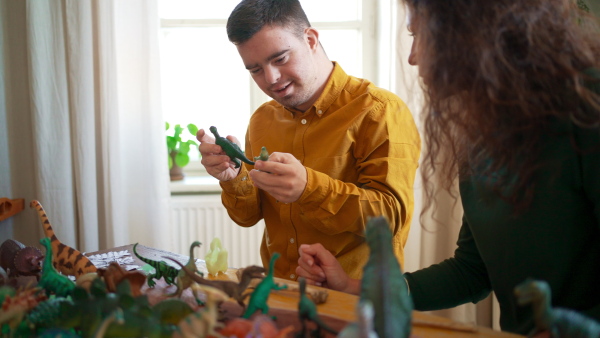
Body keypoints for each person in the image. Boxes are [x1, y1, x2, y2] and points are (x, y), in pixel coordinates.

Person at [296, 0, 600, 335]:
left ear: (476, 30)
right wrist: (355, 287)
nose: (413, 56)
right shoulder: (484, 132)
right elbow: (472, 270)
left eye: (421, 35)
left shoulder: (588, 107)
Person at [196, 0, 421, 280]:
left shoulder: (380, 111)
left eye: (280, 59)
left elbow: (390, 220)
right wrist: (233, 177)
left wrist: (309, 189)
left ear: (311, 39)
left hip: (359, 303)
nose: (271, 78)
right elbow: (247, 217)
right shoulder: (261, 120)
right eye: (255, 70)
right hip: (280, 292)